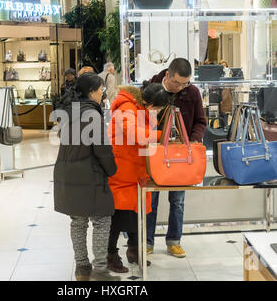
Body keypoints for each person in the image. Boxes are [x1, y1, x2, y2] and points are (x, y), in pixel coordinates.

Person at [53, 72, 120, 282]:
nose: (102, 95)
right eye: (100, 91)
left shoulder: (68, 111)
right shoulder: (92, 114)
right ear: (91, 92)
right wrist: (112, 170)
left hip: (66, 171)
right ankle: (100, 271)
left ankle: (82, 269)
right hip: (88, 173)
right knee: (101, 219)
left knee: (78, 221)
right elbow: (102, 149)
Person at [146, 58, 207, 258]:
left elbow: (200, 121)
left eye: (185, 83)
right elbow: (140, 120)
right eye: (176, 83)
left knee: (178, 201)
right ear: (167, 76)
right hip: (155, 153)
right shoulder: (151, 88)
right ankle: (147, 241)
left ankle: (174, 241)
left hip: (181, 155)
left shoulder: (192, 93)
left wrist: (193, 141)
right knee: (151, 200)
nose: (180, 87)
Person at [107, 83, 169, 273]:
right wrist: (162, 136)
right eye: (157, 107)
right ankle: (110, 254)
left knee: (136, 212)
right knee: (118, 215)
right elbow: (136, 134)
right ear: (148, 102)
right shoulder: (126, 107)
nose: (157, 111)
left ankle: (133, 250)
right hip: (122, 169)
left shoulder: (139, 107)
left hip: (134, 168)